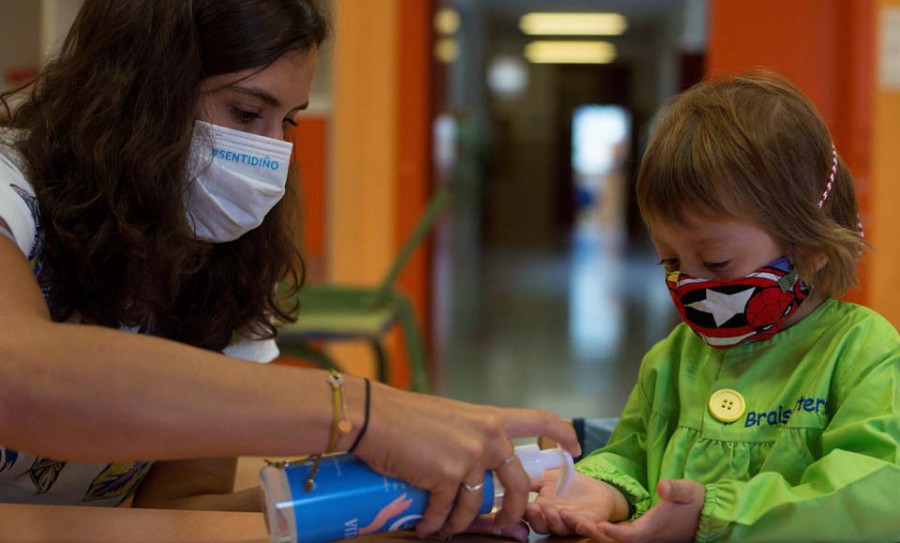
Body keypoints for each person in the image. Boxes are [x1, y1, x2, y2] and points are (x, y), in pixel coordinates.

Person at [0, 0, 579, 537]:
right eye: (248, 111)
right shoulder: (11, 190)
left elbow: (181, 505)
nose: (272, 155)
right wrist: (366, 411)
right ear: (135, 90)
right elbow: (17, 377)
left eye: (291, 122)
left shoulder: (219, 255)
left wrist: (391, 501)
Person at [525, 72, 900, 542]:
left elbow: (874, 494)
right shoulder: (675, 356)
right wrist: (603, 488)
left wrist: (713, 515)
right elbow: (632, 453)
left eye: (717, 262)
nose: (690, 284)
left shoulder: (863, 352)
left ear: (810, 248)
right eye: (671, 260)